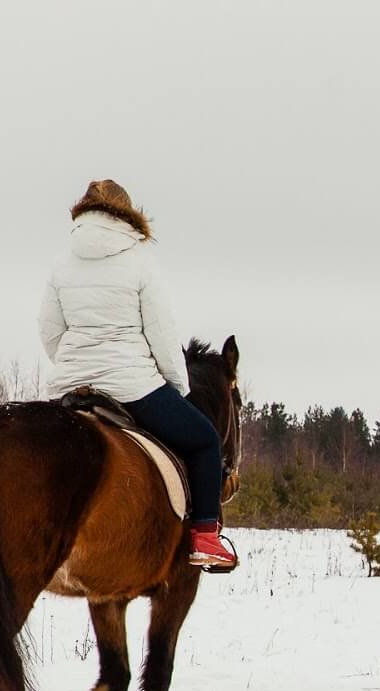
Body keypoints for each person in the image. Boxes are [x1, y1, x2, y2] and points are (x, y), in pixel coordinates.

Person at [38, 180, 236, 569]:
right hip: (132, 385)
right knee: (205, 441)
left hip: (70, 384)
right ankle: (205, 538)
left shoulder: (62, 263)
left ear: (85, 213)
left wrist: (72, 366)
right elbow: (161, 336)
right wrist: (176, 389)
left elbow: (49, 330)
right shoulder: (140, 260)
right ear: (127, 216)